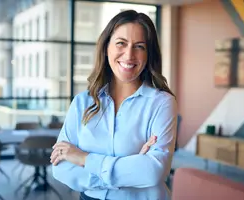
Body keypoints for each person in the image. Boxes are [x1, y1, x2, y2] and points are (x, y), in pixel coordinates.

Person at [50, 9, 177, 200]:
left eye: (140, 46)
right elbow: (60, 167)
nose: (129, 55)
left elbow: (152, 172)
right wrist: (128, 170)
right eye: (121, 43)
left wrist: (84, 159)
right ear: (106, 47)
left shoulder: (161, 103)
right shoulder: (82, 102)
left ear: (148, 54)